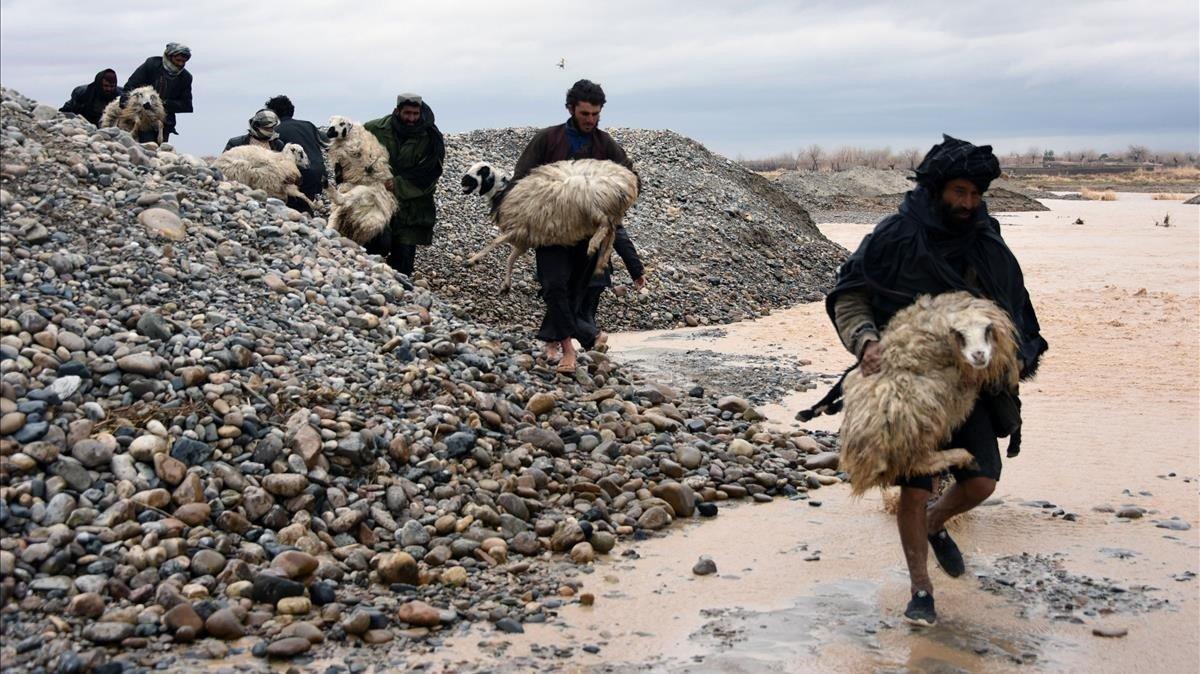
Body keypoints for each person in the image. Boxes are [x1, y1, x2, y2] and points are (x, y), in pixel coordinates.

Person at [825, 135, 1048, 626]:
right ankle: (920, 589)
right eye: (959, 192)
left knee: (983, 481)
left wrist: (1017, 353)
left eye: (975, 193)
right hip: (907, 387)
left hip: (971, 388)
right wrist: (865, 341)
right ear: (937, 189)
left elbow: (1016, 305)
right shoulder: (895, 236)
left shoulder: (987, 238)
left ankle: (935, 523)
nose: (968, 203)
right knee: (914, 486)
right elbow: (850, 295)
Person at [510, 79, 637, 373]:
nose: (590, 120)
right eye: (585, 114)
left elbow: (631, 178)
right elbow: (519, 181)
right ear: (570, 109)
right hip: (551, 232)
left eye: (596, 114)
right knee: (553, 286)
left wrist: (610, 201)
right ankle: (572, 348)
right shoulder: (547, 140)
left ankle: (558, 342)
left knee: (573, 290)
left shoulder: (605, 144)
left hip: (588, 236)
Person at [362, 94, 445, 276]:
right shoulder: (373, 129)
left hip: (411, 210)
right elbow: (351, 155)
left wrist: (397, 185)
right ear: (397, 111)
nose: (411, 118)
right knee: (371, 253)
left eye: (416, 113)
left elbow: (430, 175)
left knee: (403, 264)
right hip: (376, 204)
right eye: (407, 113)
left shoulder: (431, 138)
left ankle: (401, 300)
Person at [124, 42, 193, 142]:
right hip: (139, 118)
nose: (180, 64)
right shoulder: (151, 65)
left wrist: (161, 103)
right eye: (178, 60)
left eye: (184, 61)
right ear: (169, 56)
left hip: (164, 123)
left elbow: (186, 105)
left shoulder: (185, 77)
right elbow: (130, 86)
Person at [264, 95, 328, 202]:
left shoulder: (276, 131)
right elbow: (327, 142)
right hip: (320, 174)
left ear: (273, 114)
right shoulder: (308, 125)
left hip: (300, 177)